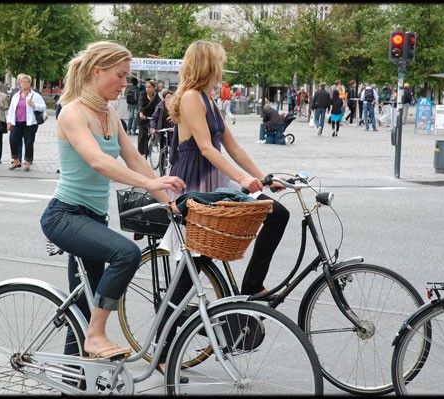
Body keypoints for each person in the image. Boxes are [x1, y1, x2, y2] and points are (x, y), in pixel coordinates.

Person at [39, 40, 185, 360]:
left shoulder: (110, 114)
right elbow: (98, 162)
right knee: (126, 254)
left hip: (92, 219)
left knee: (81, 307)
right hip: (64, 216)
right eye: (119, 76)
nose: (124, 84)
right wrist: (149, 182)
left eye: (126, 77)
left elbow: (134, 158)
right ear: (96, 72)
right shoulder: (73, 113)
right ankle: (97, 334)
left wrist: (168, 201)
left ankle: (75, 380)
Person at [158, 39, 289, 368]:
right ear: (207, 65)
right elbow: (206, 148)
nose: (221, 68)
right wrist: (244, 181)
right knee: (191, 271)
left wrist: (265, 176)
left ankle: (252, 287)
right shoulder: (189, 98)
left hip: (218, 180)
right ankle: (163, 348)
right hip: (197, 182)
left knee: (277, 213)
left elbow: (232, 146)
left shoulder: (210, 100)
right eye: (218, 62)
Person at [6, 74, 46, 171]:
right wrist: (9, 121)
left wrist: (34, 105)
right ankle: (16, 161)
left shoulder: (35, 95)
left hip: (30, 124)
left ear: (30, 83)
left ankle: (27, 162)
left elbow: (43, 107)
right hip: (17, 123)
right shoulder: (16, 95)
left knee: (28, 143)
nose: (25, 84)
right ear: (20, 83)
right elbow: (11, 109)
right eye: (23, 82)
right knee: (12, 140)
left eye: (27, 82)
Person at [137, 79, 160, 157]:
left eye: (149, 87)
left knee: (152, 132)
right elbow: (140, 104)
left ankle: (149, 148)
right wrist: (141, 113)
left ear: (154, 88)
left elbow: (159, 107)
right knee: (142, 135)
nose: (147, 89)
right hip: (143, 117)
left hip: (152, 117)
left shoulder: (157, 97)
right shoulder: (142, 94)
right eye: (146, 87)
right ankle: (140, 153)